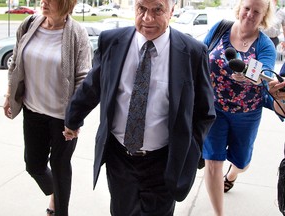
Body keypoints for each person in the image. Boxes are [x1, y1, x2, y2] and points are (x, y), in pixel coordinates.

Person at [63, 0, 216, 214]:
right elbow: (92, 86)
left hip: (163, 162)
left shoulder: (193, 52)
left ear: (172, 11)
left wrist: (191, 149)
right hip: (119, 158)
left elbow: (205, 111)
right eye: (141, 9)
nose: (147, 18)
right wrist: (72, 119)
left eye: (157, 10)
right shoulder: (112, 41)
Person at [2, 0, 92, 215]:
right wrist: (9, 94)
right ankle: (56, 192)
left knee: (60, 168)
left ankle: (59, 209)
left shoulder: (77, 33)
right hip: (33, 111)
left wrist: (74, 120)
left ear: (66, 3)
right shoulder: (29, 23)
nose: (44, 1)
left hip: (63, 118)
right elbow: (15, 62)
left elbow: (83, 78)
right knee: (34, 166)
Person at [202, 0, 276, 215]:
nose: (250, 14)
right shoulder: (220, 28)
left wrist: (249, 78)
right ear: (239, 8)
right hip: (213, 109)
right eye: (247, 8)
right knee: (213, 162)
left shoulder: (265, 45)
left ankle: (233, 174)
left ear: (263, 16)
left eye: (256, 11)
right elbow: (199, 54)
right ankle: (219, 213)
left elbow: (266, 75)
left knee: (242, 162)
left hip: (247, 113)